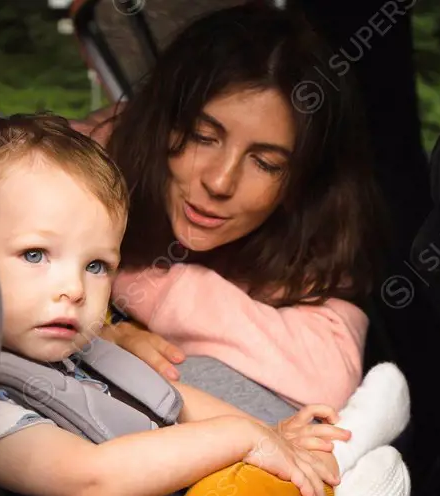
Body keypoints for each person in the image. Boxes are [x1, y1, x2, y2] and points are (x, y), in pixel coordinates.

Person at [0, 113, 356, 496]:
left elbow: (172, 401)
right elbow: (93, 478)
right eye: (34, 254)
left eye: (96, 266)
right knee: (253, 495)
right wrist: (241, 437)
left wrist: (272, 434)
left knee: (273, 475)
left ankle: (335, 490)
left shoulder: (77, 353)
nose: (74, 289)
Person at [73, 4, 390, 411]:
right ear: (161, 122)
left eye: (265, 163)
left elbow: (327, 376)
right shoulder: (79, 168)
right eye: (204, 136)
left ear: (301, 181)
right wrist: (95, 338)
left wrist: (154, 286)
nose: (220, 182)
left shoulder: (307, 237)